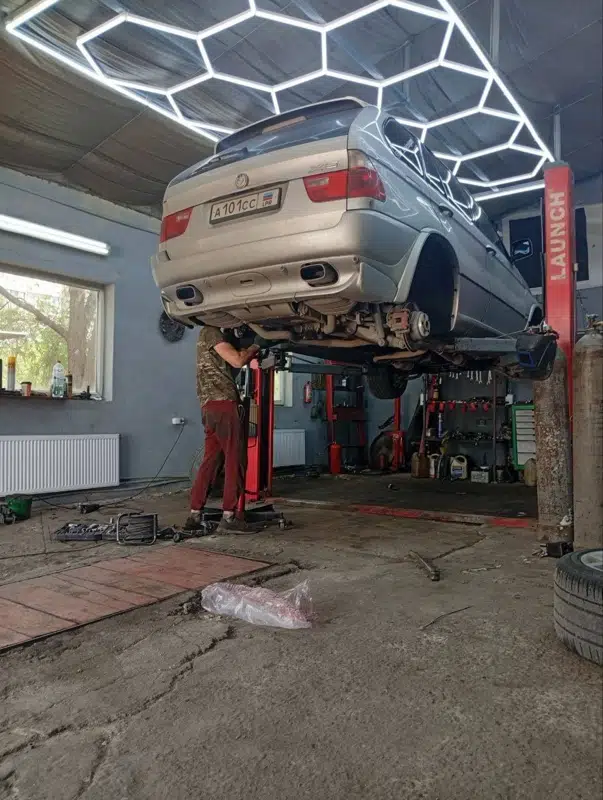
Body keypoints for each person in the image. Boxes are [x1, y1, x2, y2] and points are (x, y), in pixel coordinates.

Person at [185, 326, 260, 534]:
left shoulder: (205, 337)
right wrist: (256, 346)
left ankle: (195, 514)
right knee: (235, 459)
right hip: (224, 405)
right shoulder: (211, 332)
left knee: (211, 461)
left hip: (209, 407)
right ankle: (229, 517)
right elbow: (237, 360)